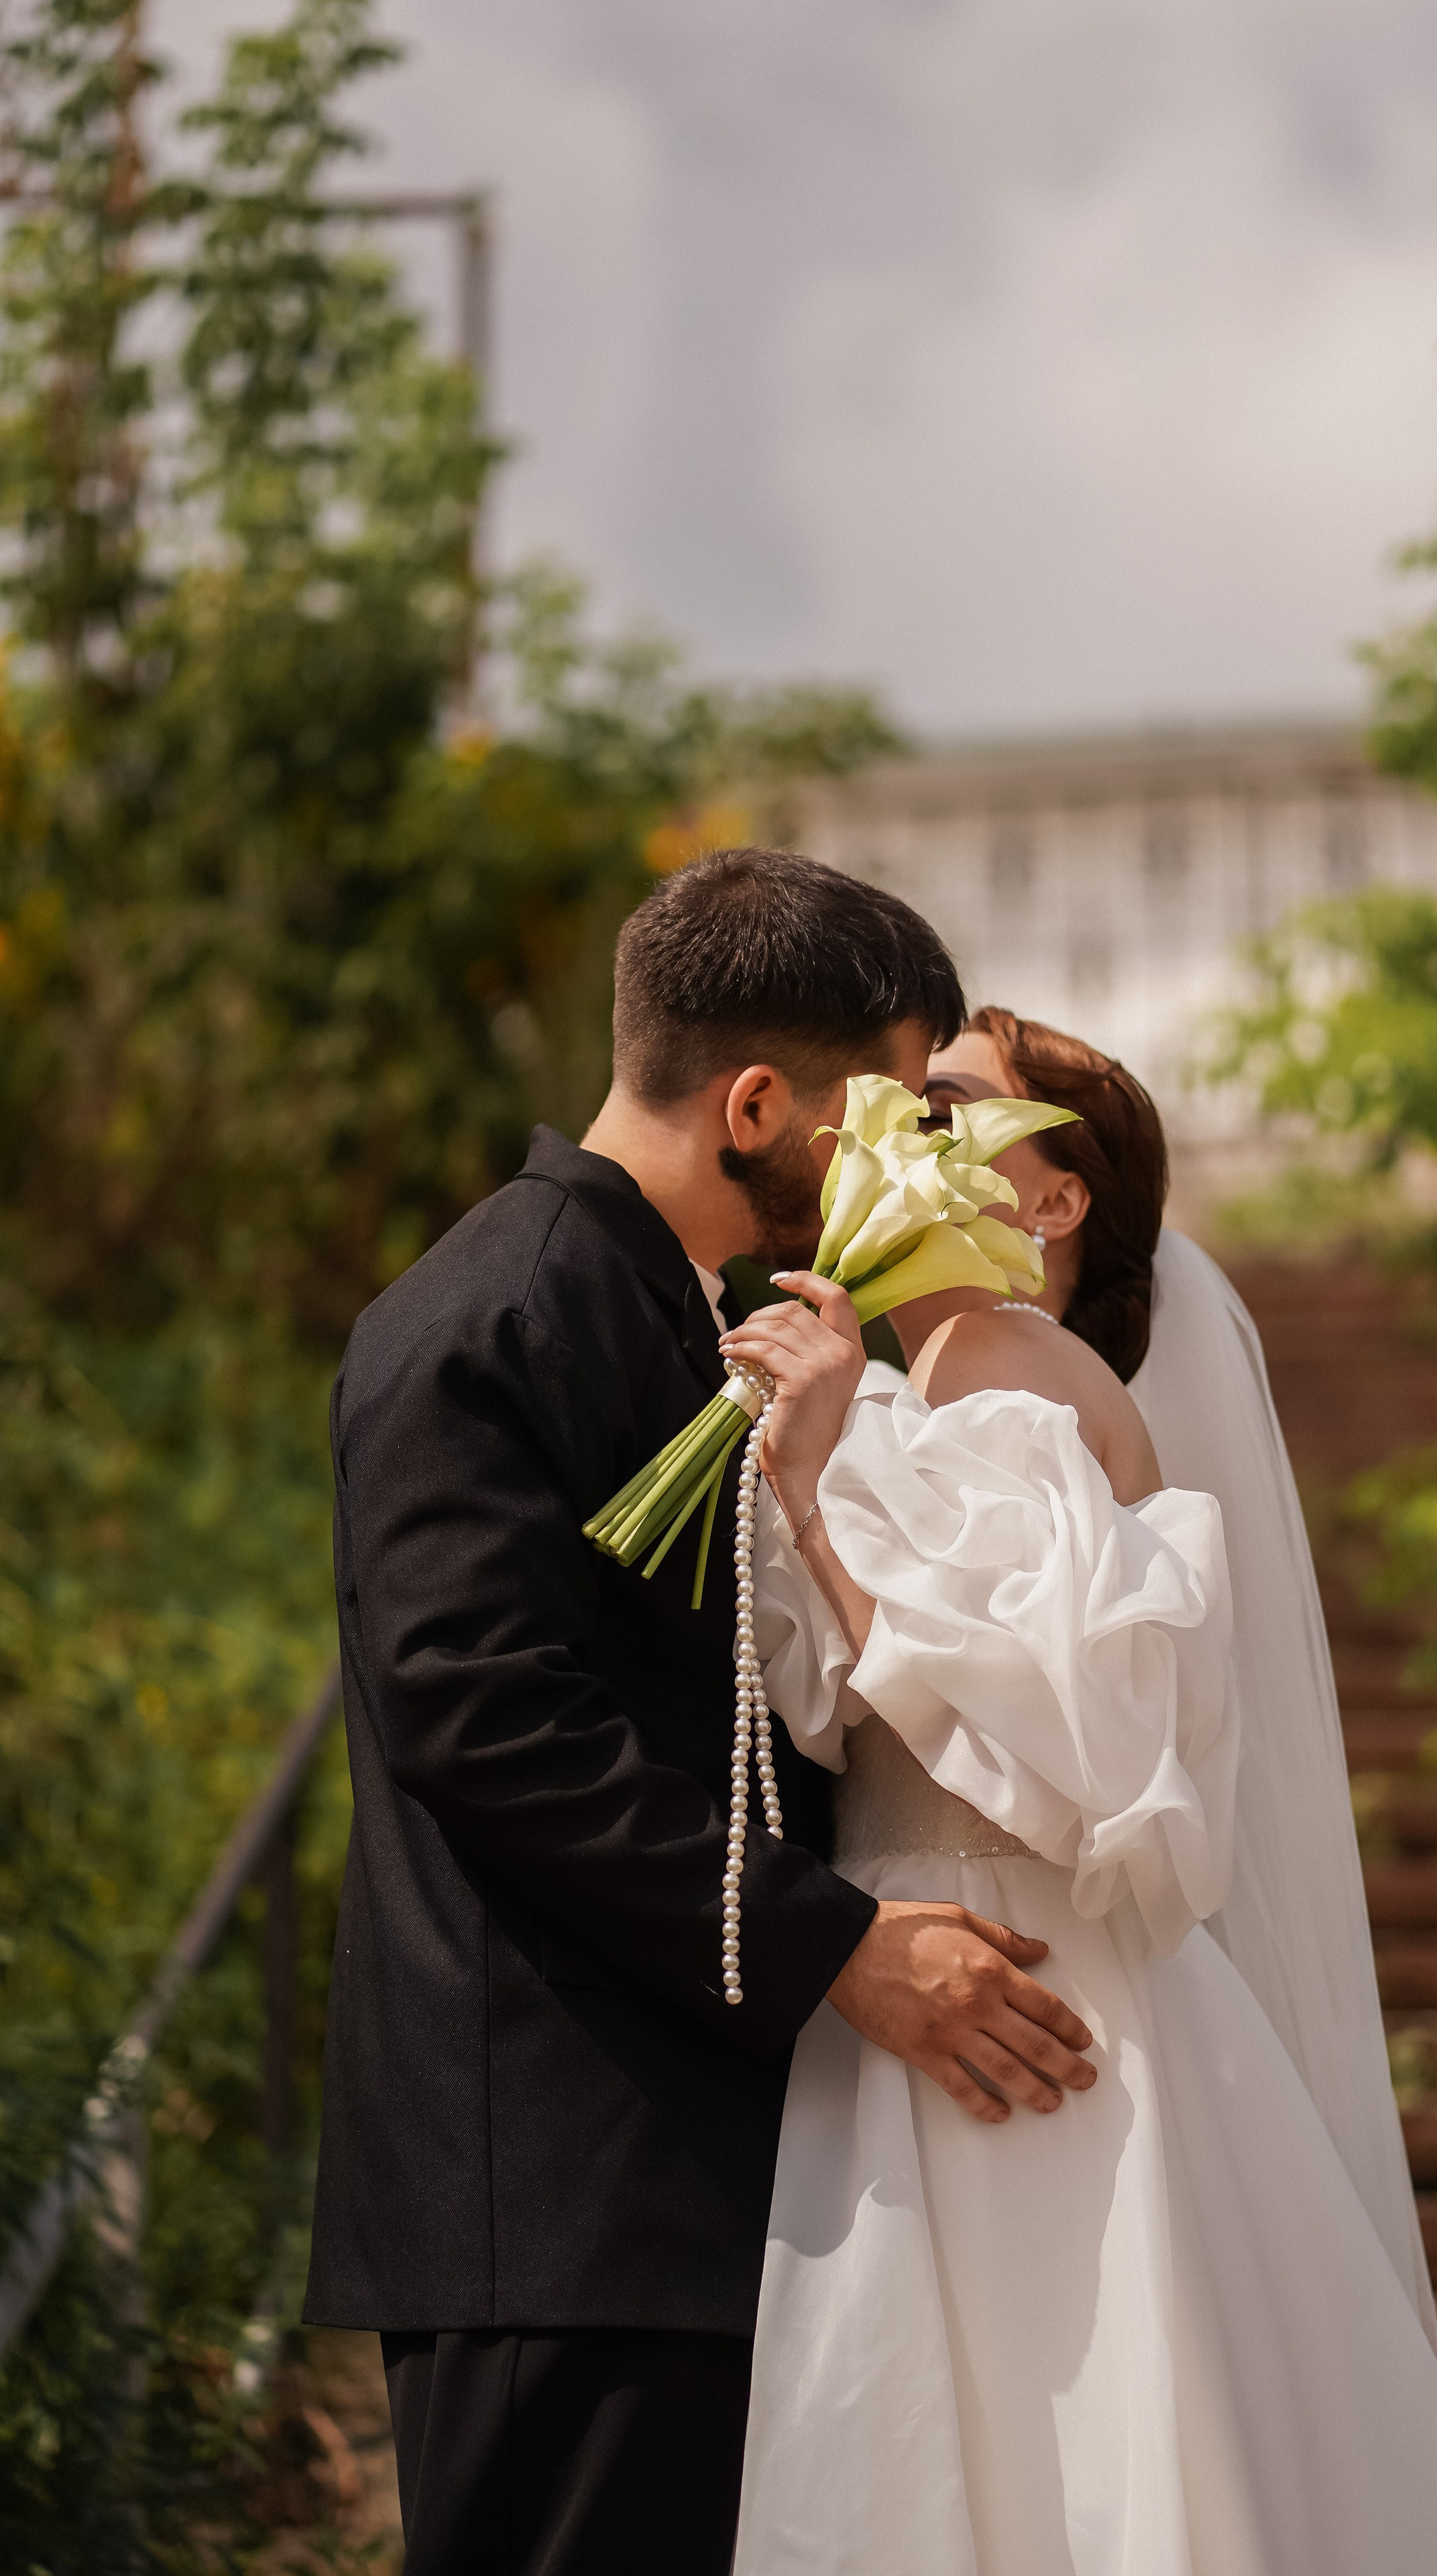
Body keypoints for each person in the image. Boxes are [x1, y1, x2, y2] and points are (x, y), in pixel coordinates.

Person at [302, 862, 1098, 2576]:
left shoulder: (683, 1317)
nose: (901, 1158)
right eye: (875, 1108)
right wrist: (838, 1947)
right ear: (753, 1103)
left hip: (680, 2166)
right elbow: (484, 1716)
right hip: (552, 2185)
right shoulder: (491, 1313)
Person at [722, 1006, 1437, 2574]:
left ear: (1051, 1197)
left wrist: (812, 1495)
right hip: (911, 1950)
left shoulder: (1020, 1378)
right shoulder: (925, 1379)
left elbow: (1057, 1754)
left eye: (944, 1107)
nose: (891, 1125)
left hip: (1005, 1968)